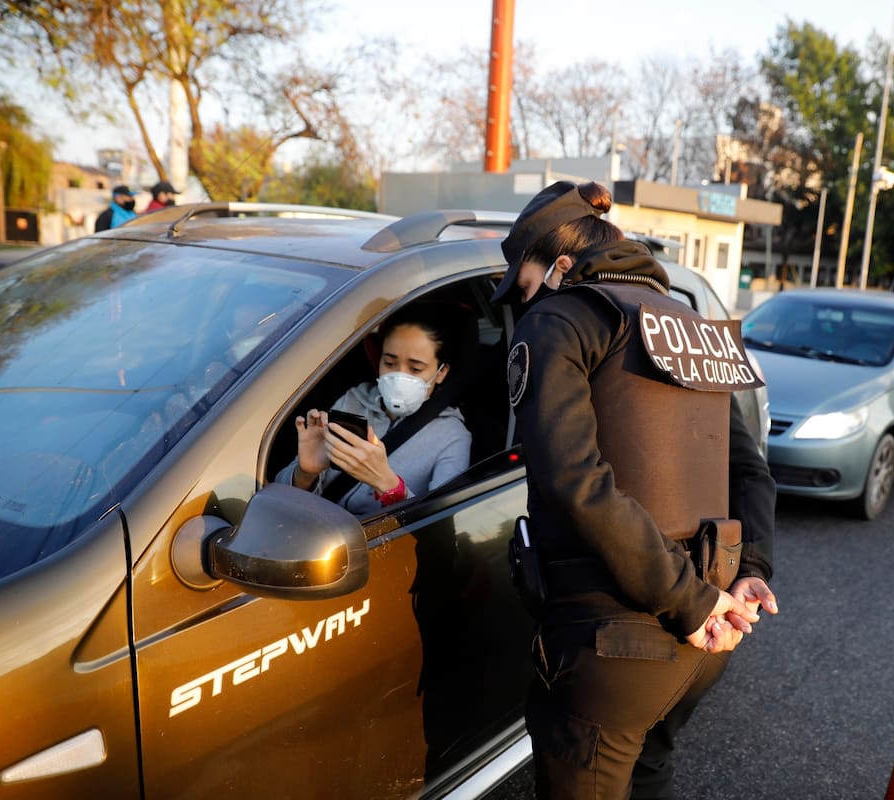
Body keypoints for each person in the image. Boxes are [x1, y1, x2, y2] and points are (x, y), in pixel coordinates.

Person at [493, 180, 777, 798]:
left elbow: (576, 481)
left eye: (526, 282)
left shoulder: (558, 320)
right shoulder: (688, 322)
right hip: (713, 623)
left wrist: (690, 601)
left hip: (621, 635)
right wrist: (750, 567)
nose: (524, 299)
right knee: (649, 771)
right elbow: (749, 468)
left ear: (562, 264)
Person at [276, 305, 472, 516]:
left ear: (441, 372)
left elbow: (443, 524)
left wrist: (387, 483)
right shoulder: (353, 400)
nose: (398, 376)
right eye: (389, 362)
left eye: (415, 368)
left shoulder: (452, 437)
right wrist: (305, 474)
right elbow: (280, 496)